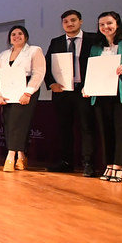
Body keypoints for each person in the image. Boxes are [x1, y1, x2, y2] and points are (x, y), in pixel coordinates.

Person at [84, 11, 122, 182]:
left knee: (121, 131)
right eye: (101, 24)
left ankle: (119, 166)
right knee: (106, 131)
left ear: (117, 24)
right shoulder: (96, 46)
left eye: (109, 23)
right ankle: (109, 164)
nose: (105, 27)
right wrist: (87, 87)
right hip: (102, 93)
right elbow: (92, 69)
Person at [44, 10, 99, 176]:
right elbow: (46, 65)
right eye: (66, 21)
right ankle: (66, 162)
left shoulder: (94, 39)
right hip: (62, 92)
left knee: (87, 128)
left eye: (73, 20)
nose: (70, 23)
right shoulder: (56, 42)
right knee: (63, 128)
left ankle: (89, 164)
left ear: (80, 21)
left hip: (85, 91)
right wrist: (51, 83)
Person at [0, 26, 46, 173]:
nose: (16, 36)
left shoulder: (34, 50)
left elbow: (39, 73)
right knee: (9, 122)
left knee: (19, 122)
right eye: (13, 34)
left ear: (26, 36)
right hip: (7, 91)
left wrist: (28, 92)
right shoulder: (3, 55)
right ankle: (21, 155)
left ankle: (10, 156)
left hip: (26, 89)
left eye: (20, 34)